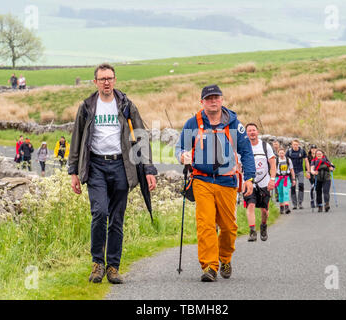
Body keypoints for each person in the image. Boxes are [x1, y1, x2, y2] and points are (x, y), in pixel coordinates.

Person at [68, 63, 157, 285]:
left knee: (116, 219)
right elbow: (77, 140)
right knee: (99, 212)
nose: (106, 82)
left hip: (121, 167)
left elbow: (141, 136)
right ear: (95, 82)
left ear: (115, 80)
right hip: (96, 166)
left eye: (110, 78)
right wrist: (73, 172)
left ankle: (113, 267)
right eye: (102, 79)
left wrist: (148, 170)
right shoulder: (87, 106)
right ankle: (97, 263)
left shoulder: (126, 105)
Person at [175, 84, 255, 282]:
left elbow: (246, 151)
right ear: (202, 102)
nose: (213, 101)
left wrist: (250, 178)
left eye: (216, 97)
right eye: (208, 98)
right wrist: (182, 155)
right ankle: (210, 266)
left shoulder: (235, 123)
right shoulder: (193, 123)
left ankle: (225, 258)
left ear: (222, 100)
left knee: (229, 227)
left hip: (227, 180)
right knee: (206, 225)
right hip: (201, 179)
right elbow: (180, 147)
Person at [243, 123, 276, 242]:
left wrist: (272, 180)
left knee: (264, 211)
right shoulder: (243, 146)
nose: (252, 132)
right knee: (250, 205)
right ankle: (252, 231)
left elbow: (272, 163)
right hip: (248, 182)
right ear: (246, 133)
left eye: (254, 130)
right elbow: (237, 164)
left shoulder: (265, 146)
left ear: (257, 132)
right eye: (249, 131)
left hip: (264, 182)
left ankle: (263, 226)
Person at [285, 139, 310, 210]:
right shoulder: (289, 152)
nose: (295, 146)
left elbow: (306, 161)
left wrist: (308, 171)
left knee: (301, 186)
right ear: (292, 145)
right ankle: (294, 204)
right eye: (294, 144)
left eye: (296, 144)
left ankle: (300, 203)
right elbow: (285, 161)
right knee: (293, 187)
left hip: (300, 171)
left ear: (298, 144)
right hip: (291, 172)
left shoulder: (302, 151)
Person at [275, 148, 296, 214]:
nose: (281, 154)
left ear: (284, 153)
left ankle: (287, 207)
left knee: (286, 192)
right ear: (278, 153)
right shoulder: (276, 160)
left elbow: (291, 169)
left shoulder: (288, 160)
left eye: (282, 153)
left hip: (286, 178)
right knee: (280, 193)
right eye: (280, 153)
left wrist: (293, 179)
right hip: (278, 178)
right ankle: (281, 207)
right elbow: (273, 170)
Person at [307, 144, 318, 209]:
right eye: (312, 149)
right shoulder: (308, 157)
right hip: (311, 173)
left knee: (317, 187)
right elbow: (307, 165)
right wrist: (308, 172)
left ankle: (317, 200)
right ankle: (312, 200)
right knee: (313, 186)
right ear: (310, 150)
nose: (313, 150)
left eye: (314, 148)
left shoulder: (318, 156)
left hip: (317, 173)